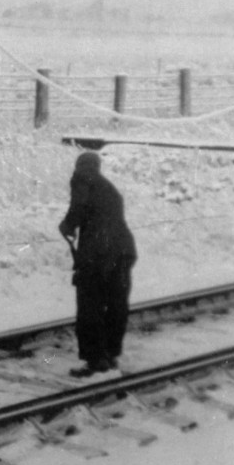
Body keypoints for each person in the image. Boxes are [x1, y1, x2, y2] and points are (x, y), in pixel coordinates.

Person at [58, 151, 137, 377]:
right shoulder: (109, 187)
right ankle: (110, 355)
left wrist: (68, 225)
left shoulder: (82, 179)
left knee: (89, 306)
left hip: (97, 254)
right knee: (116, 305)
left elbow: (79, 206)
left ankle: (95, 360)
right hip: (123, 251)